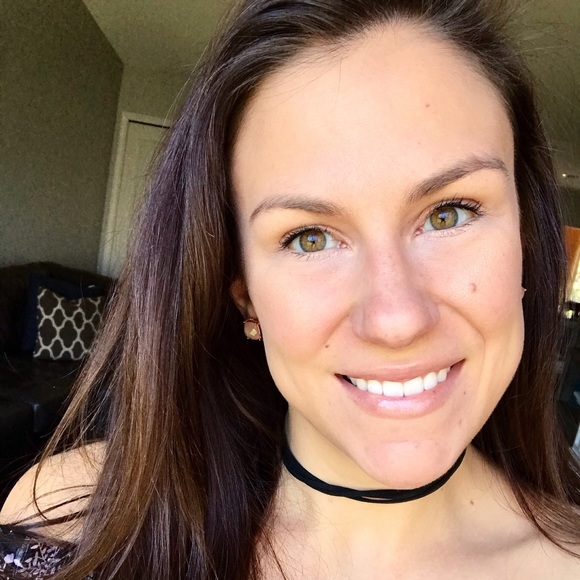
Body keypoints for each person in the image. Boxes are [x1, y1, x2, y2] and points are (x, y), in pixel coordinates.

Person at [1, 0, 580, 578]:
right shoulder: (73, 522)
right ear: (244, 293)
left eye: (449, 213)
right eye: (310, 238)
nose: (396, 320)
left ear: (526, 242)